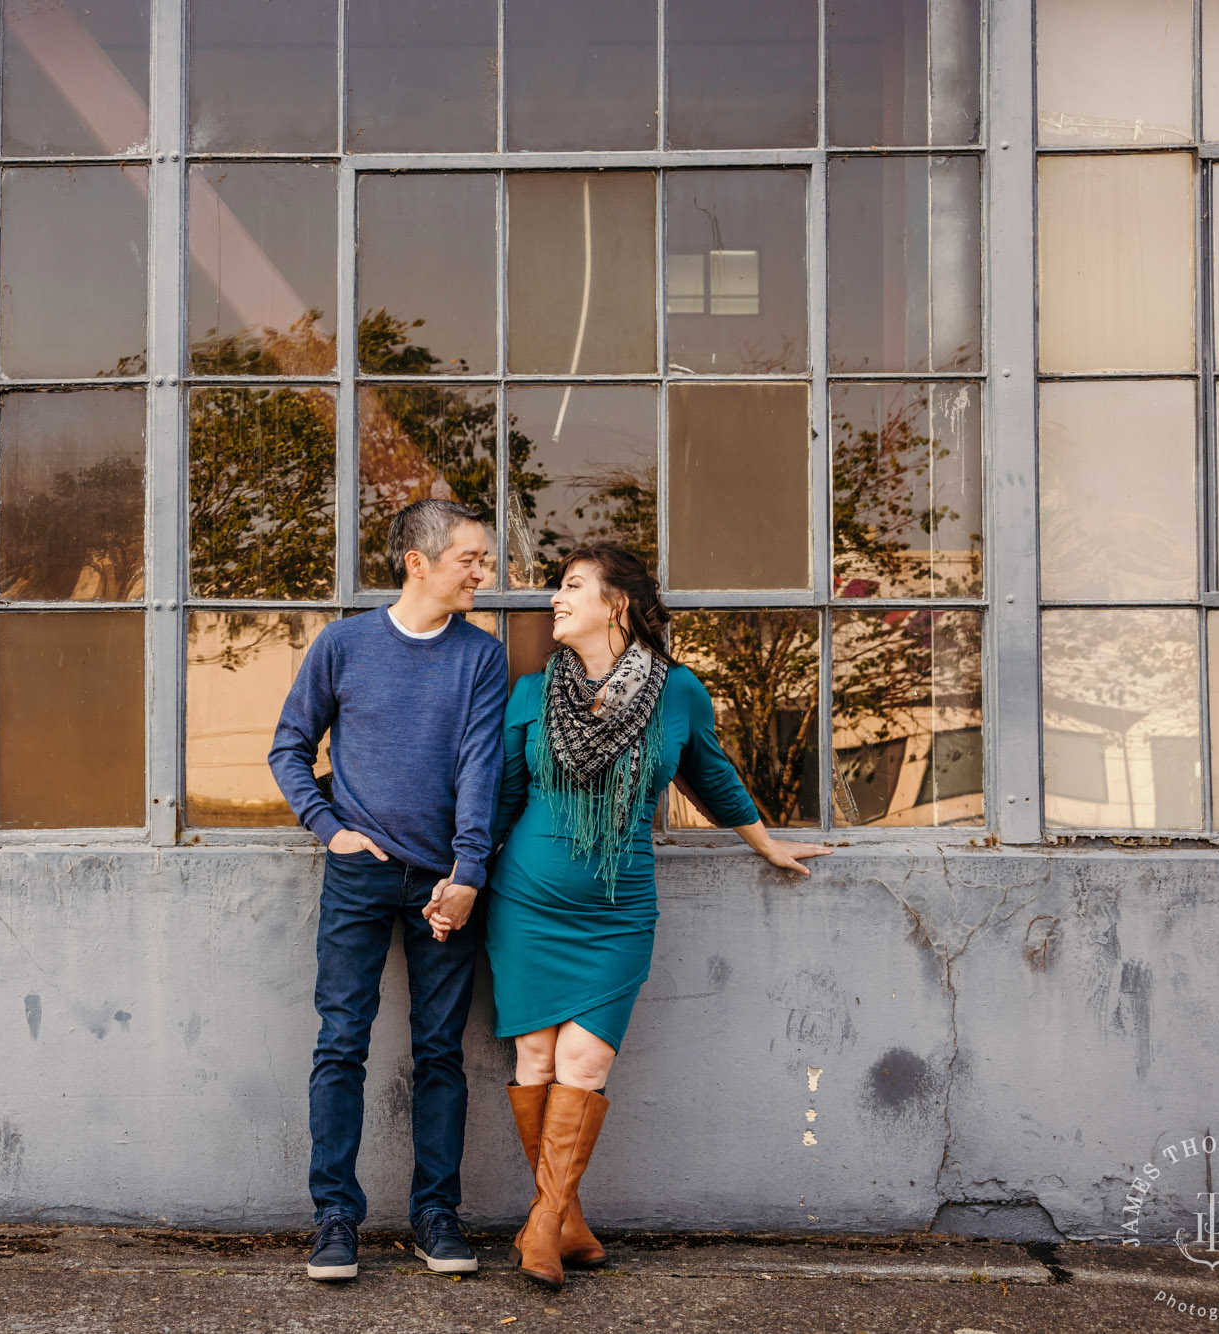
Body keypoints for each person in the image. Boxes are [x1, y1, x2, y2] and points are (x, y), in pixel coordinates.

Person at [481, 542, 831, 1291]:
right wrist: (463, 881)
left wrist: (765, 844)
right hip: (527, 906)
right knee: (536, 1061)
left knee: (587, 1063)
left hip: (617, 915)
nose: (554, 600)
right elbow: (502, 799)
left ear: (618, 604)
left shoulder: (678, 694)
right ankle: (563, 1223)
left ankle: (540, 1225)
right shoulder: (531, 693)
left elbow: (713, 775)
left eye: (572, 587)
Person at [268, 499, 508, 1283]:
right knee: (341, 1042)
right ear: (419, 562)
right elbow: (290, 746)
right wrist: (329, 827)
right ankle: (335, 1218)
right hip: (361, 875)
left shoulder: (481, 656)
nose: (486, 571)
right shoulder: (344, 645)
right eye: (471, 558)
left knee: (442, 1052)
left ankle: (436, 1214)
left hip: (447, 883)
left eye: (486, 557)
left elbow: (481, 769)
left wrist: (468, 874)